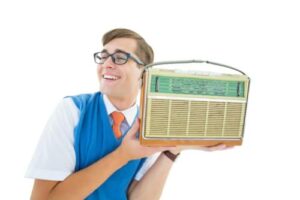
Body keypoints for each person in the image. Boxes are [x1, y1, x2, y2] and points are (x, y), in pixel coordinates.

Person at [26, 28, 229, 200]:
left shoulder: (149, 125)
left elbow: (138, 196)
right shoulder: (72, 110)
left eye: (120, 57)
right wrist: (123, 155)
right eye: (103, 56)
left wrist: (173, 150)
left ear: (144, 72)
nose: (107, 63)